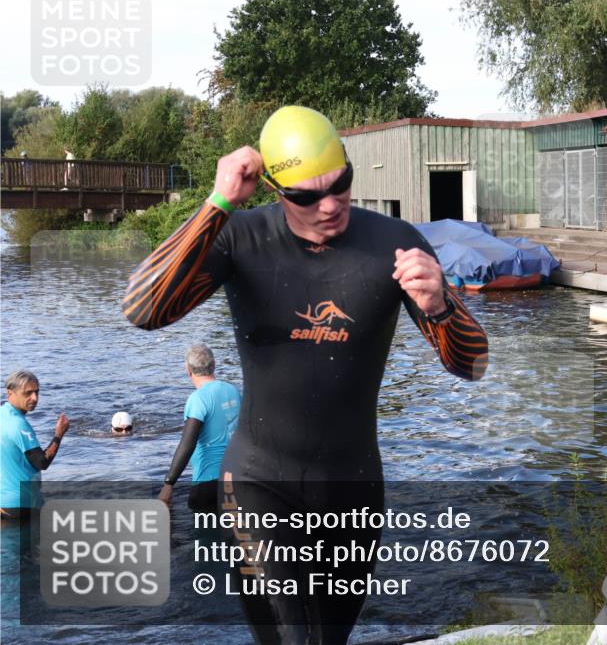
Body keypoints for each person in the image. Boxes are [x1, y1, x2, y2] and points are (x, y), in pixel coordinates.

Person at [122, 105, 488, 643]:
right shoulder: (239, 236)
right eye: (306, 196)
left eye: (341, 185)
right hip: (256, 481)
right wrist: (217, 203)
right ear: (274, 189)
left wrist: (439, 307)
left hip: (353, 489)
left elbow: (472, 366)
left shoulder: (395, 243)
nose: (330, 205)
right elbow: (143, 309)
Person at [158, 345, 241, 512]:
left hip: (208, 484)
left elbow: (187, 444)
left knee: (204, 536)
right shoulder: (233, 391)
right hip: (237, 478)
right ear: (214, 366)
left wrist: (169, 483)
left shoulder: (198, 399)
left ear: (188, 370)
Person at [1, 370, 70, 520]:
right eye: (28, 393)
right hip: (22, 506)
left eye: (37, 392)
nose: (35, 398)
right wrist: (59, 434)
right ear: (10, 393)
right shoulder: (18, 424)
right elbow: (41, 462)